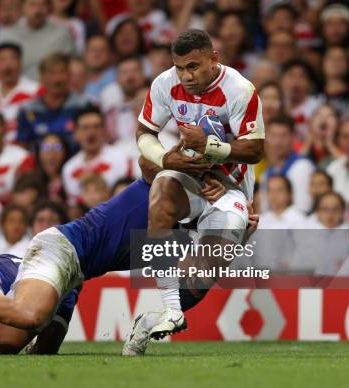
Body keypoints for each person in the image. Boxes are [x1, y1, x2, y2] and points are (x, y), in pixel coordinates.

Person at [0, 157, 253, 356]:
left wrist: (240, 236)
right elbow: (149, 163)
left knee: (7, 347)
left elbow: (197, 280)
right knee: (30, 313)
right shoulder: (168, 185)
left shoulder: (181, 234)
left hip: (76, 276)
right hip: (62, 247)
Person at [134, 29, 264, 339]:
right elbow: (144, 134)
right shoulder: (165, 84)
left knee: (203, 273)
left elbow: (256, 151)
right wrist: (166, 161)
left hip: (231, 186)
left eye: (193, 66)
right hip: (190, 176)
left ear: (213, 59)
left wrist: (209, 146)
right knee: (161, 191)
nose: (185, 76)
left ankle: (152, 318)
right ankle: (171, 310)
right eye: (179, 67)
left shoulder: (240, 90)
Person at [16, 53, 93, 152]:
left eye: (62, 72)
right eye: (52, 73)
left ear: (69, 76)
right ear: (42, 77)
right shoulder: (28, 110)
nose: (57, 79)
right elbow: (22, 147)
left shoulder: (83, 106)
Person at [62, 107, 130, 206]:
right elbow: (73, 205)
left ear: (104, 131)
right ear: (75, 133)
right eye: (85, 127)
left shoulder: (122, 157)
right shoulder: (69, 168)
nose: (91, 133)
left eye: (96, 127)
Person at [0, 0, 76, 80]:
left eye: (43, 5)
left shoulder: (61, 34)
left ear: (49, 8)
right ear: (22, 8)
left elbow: (72, 66)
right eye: (32, 5)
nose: (38, 10)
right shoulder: (7, 35)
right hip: (19, 89)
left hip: (51, 89)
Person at [0, 43, 40, 142]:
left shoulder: (36, 91)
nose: (8, 64)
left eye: (13, 58)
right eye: (2, 59)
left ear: (21, 63)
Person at [261, 115, 315, 213]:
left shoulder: (302, 166)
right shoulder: (265, 174)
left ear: (293, 137)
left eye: (283, 135)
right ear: (266, 138)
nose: (278, 142)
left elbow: (303, 210)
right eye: (273, 135)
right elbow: (266, 212)